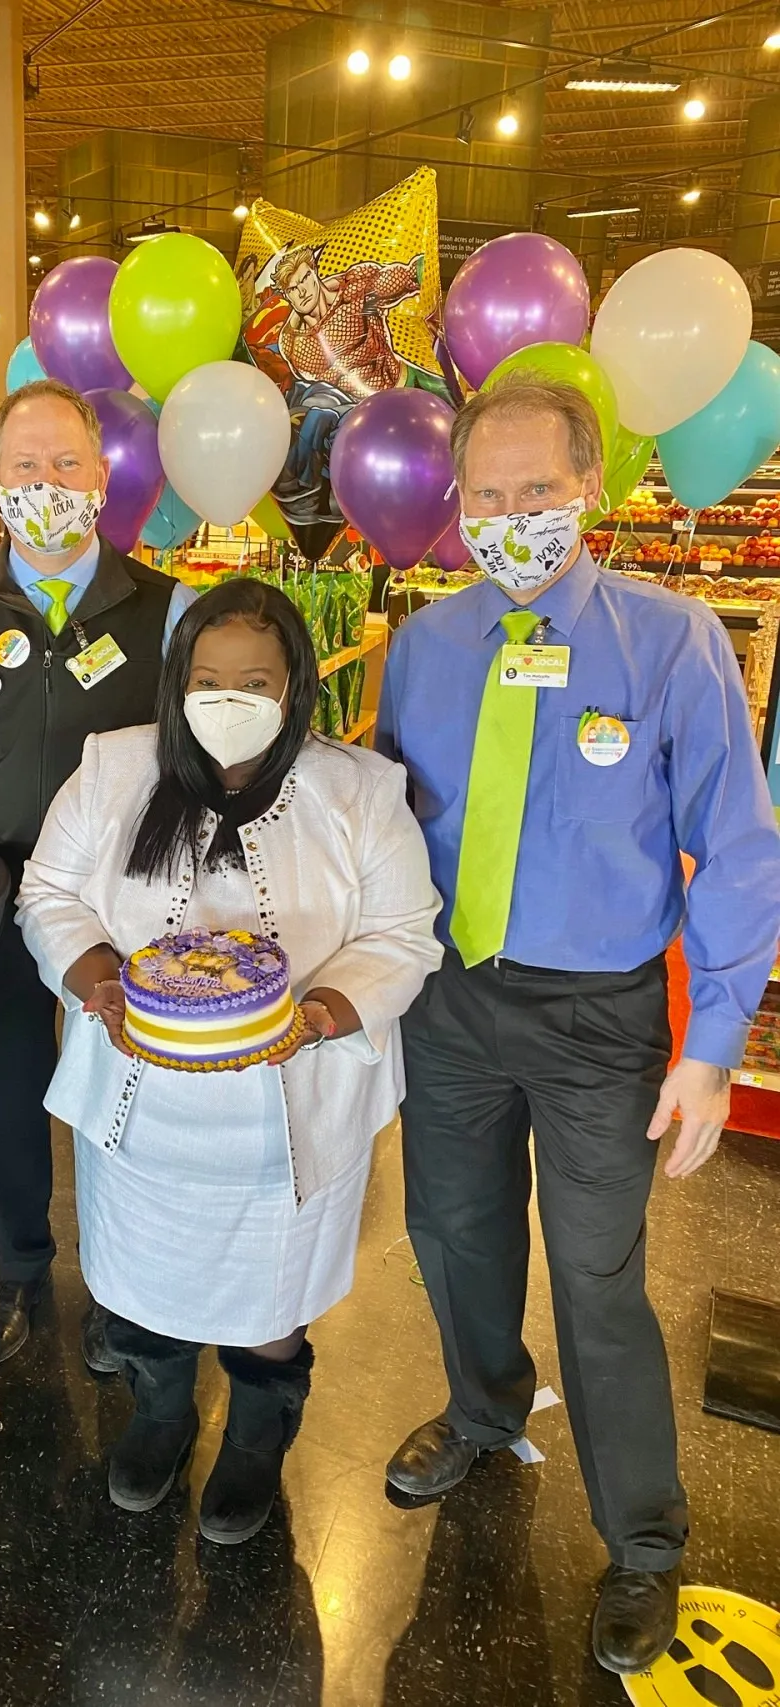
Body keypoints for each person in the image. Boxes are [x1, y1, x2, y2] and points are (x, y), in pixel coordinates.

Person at [375, 373, 780, 1675]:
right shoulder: (429, 645)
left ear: (589, 490)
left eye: (533, 491)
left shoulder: (670, 643)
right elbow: (383, 827)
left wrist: (715, 1041)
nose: (507, 517)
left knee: (599, 1272)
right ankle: (485, 1407)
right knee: (452, 1229)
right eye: (483, 496)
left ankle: (645, 1537)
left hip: (599, 1012)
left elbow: (737, 842)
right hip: (450, 996)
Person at [15, 578, 441, 1539]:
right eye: (207, 677)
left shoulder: (358, 791)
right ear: (176, 683)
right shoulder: (115, 769)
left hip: (292, 1113)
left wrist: (326, 1012)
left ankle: (257, 1433)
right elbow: (47, 893)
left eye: (255, 678)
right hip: (141, 1105)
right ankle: (161, 1411)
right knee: (149, 1281)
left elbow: (406, 934)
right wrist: (95, 979)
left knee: (272, 1291)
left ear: (294, 688)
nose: (228, 696)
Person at [0, 378, 197, 1369]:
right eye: (24, 466)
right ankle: (19, 1269)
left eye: (65, 463)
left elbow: (198, 764)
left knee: (123, 1093)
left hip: (125, 905)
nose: (45, 483)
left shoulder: (166, 610)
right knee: (12, 1092)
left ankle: (122, 1286)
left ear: (103, 479)